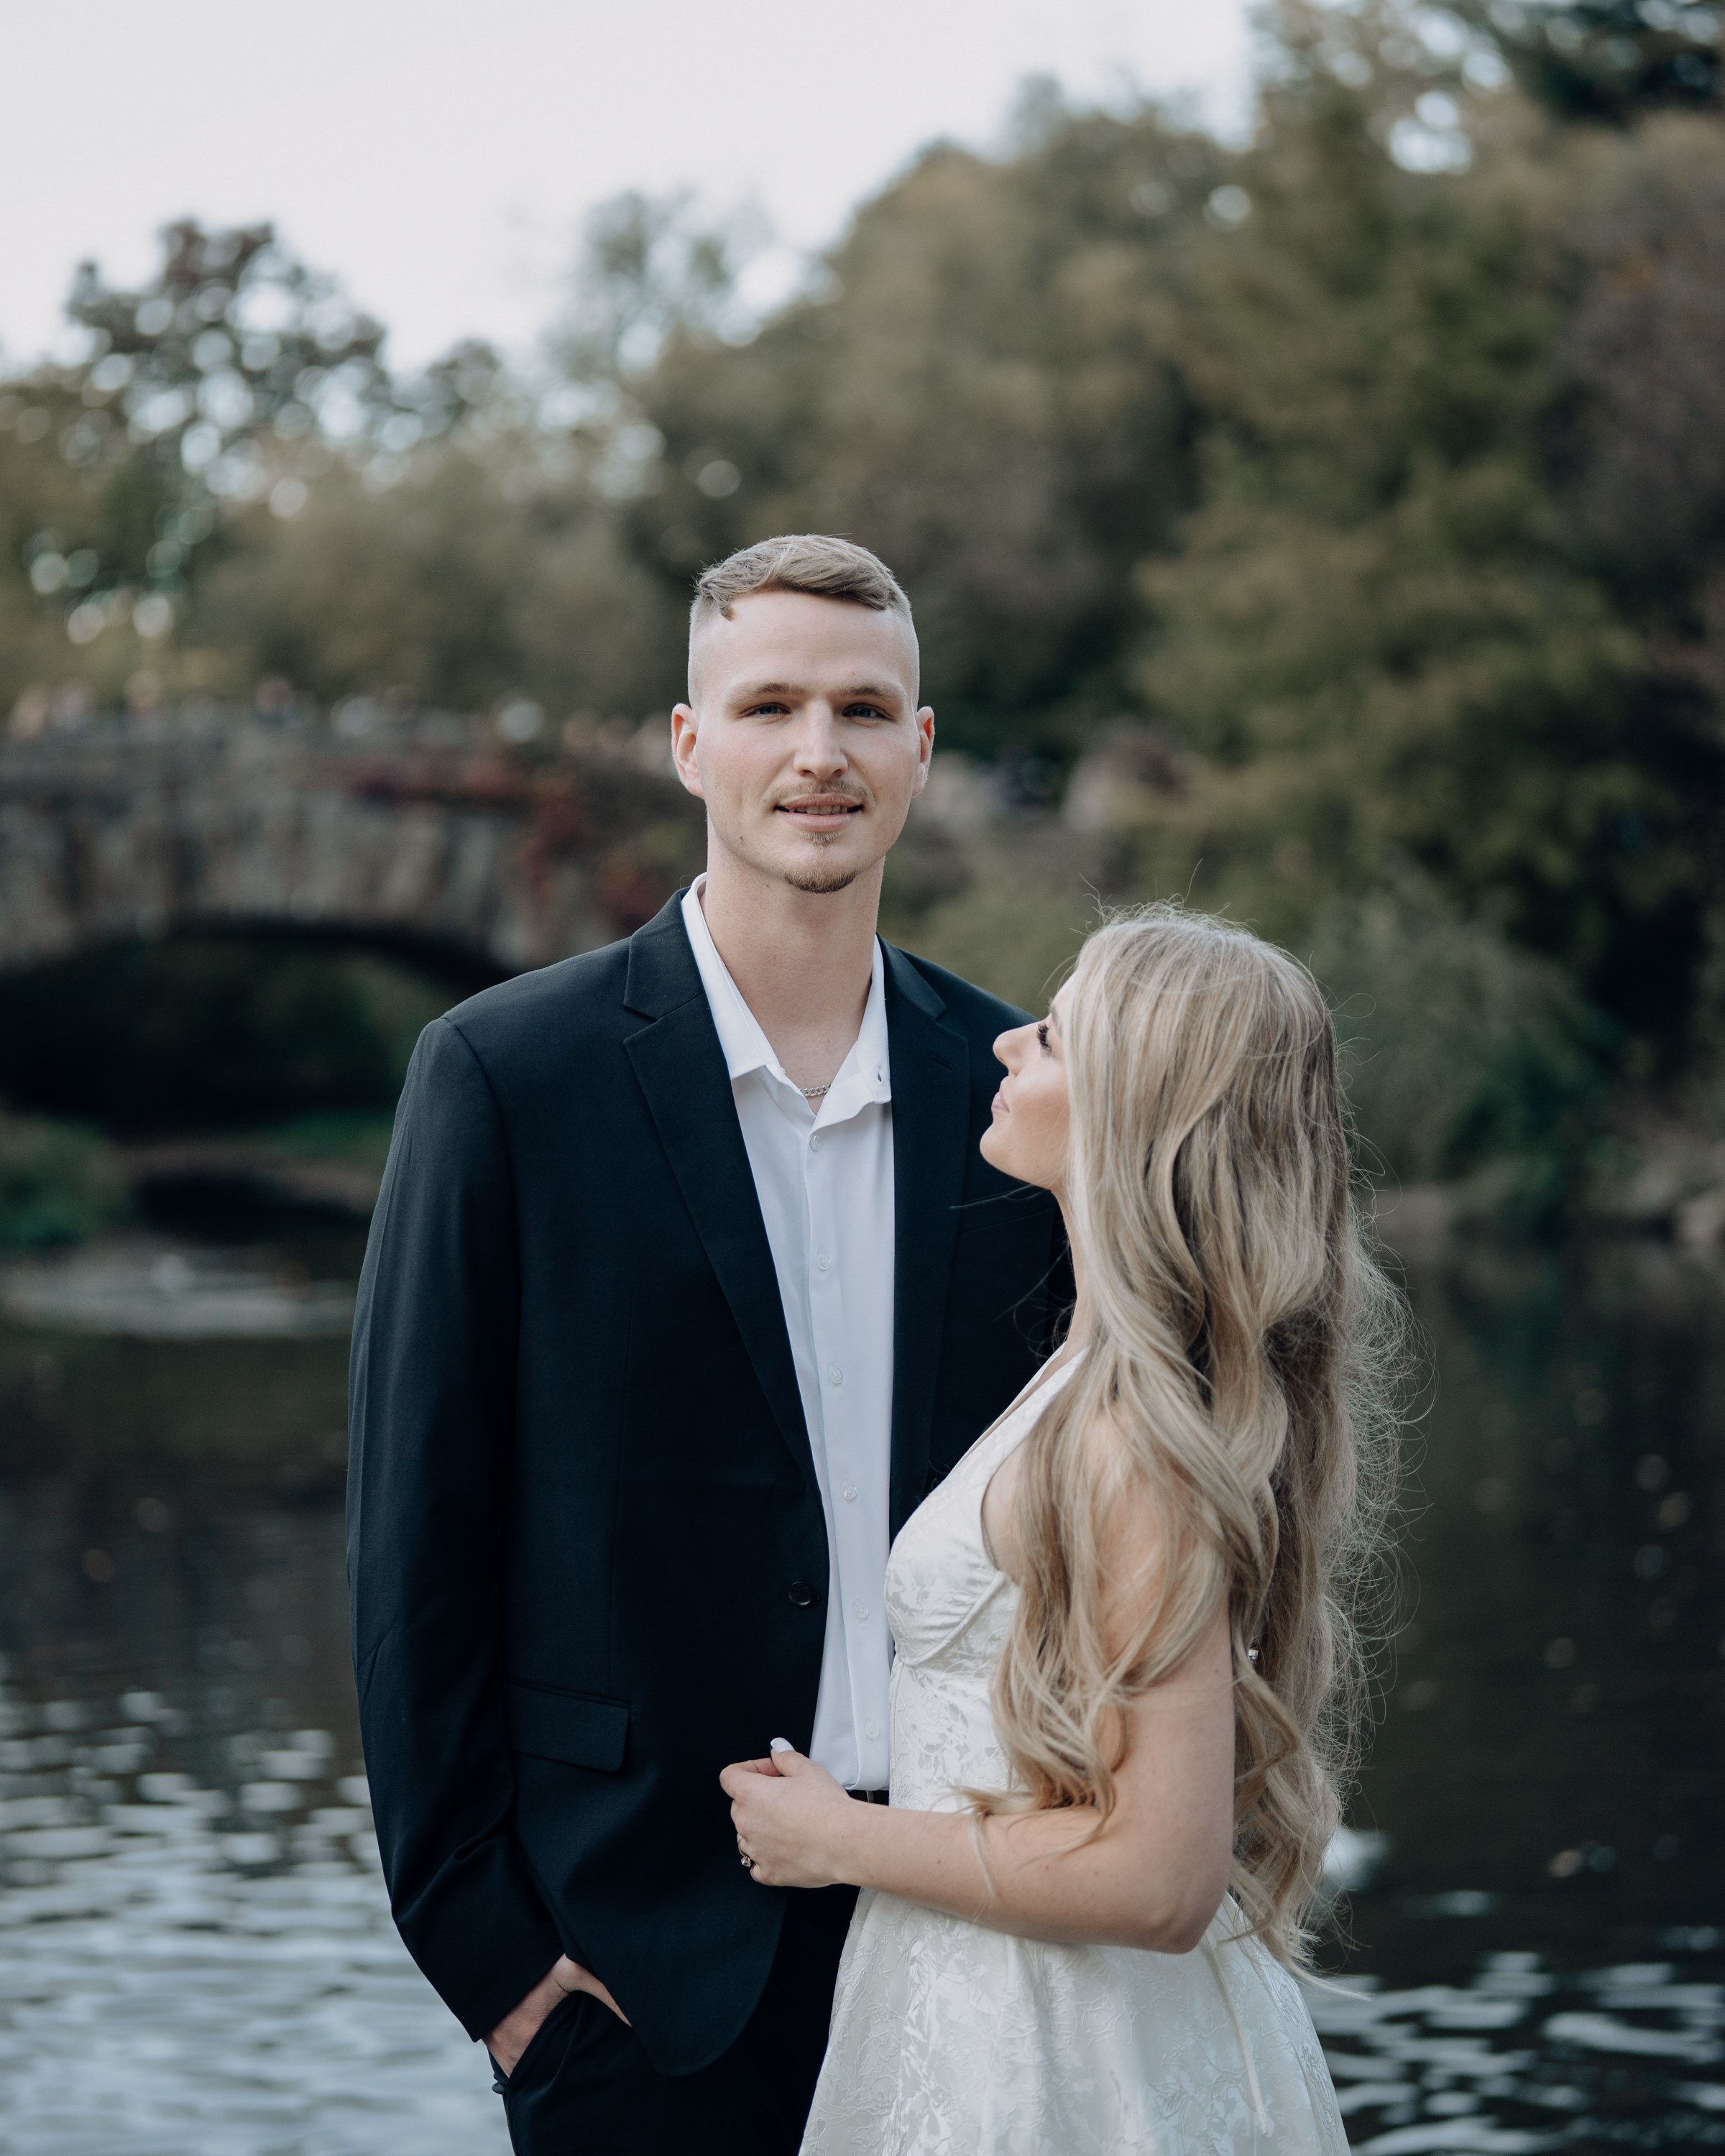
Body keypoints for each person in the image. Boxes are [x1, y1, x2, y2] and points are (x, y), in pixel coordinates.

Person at [346, 534, 1069, 2155]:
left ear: (923, 749)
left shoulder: (1022, 1094)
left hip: (969, 1931)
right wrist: (501, 1969)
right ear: (692, 745)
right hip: (630, 1975)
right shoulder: (503, 1078)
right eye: (771, 706)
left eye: (865, 710)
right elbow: (417, 1549)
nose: (820, 752)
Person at [724, 903, 1402, 2155]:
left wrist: (841, 1840)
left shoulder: (1134, 1440)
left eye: (1053, 1035)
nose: (1004, 1048)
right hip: (982, 2006)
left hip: (1058, 2050)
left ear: (1138, 1109)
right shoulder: (1083, 1381)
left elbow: (1162, 1879)